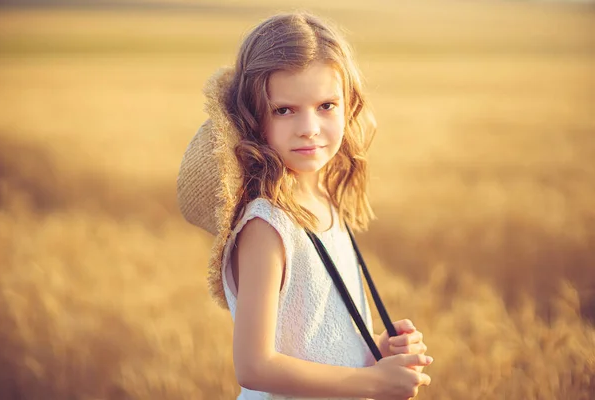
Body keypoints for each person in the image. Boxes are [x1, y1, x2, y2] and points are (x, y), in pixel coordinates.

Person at [177, 11, 433, 400]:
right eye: (284, 109)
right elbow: (254, 366)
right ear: (252, 118)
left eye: (326, 105)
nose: (309, 127)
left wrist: (373, 352)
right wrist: (375, 382)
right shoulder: (267, 227)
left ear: (350, 106)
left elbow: (316, 341)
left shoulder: (325, 201)